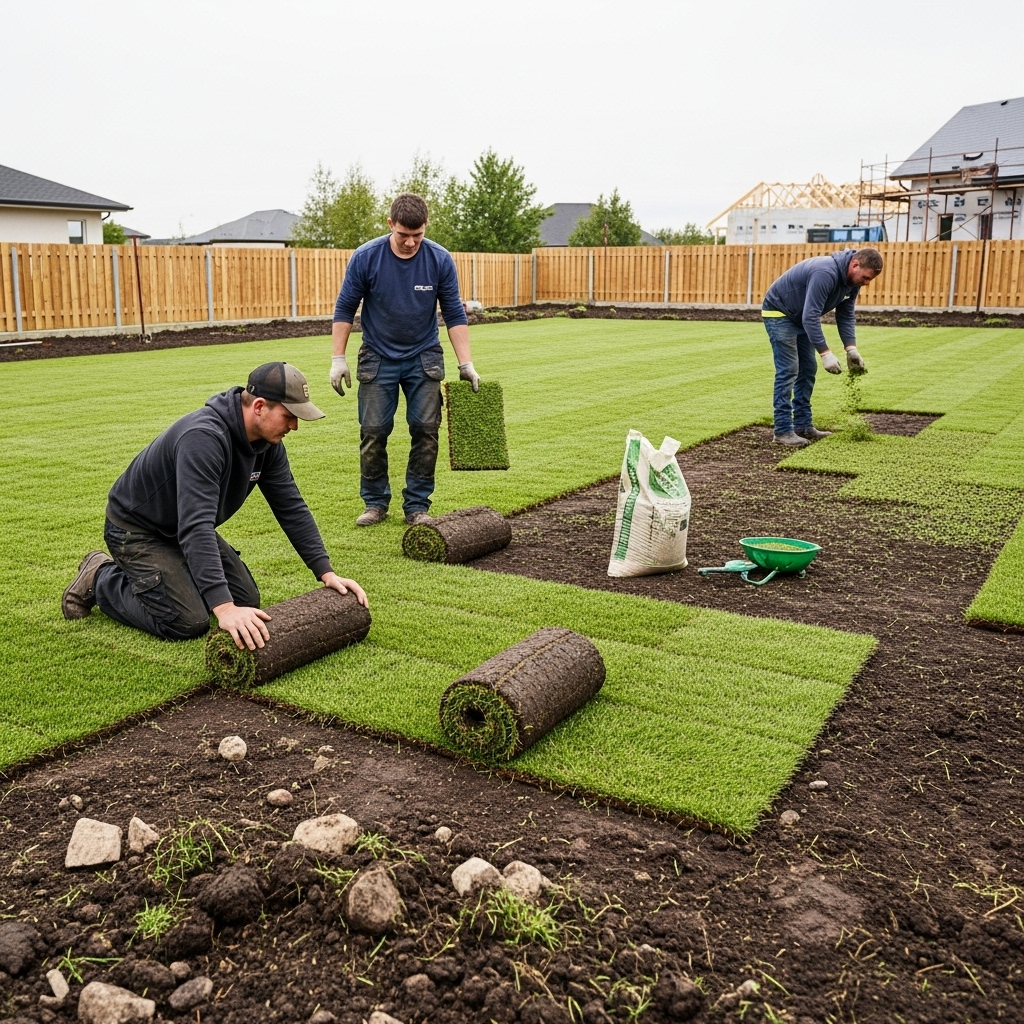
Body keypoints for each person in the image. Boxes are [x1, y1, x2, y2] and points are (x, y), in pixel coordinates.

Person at [61, 362, 368, 651]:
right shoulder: (204, 438)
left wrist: (326, 573)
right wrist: (222, 608)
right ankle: (101, 576)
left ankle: (174, 575)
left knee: (247, 600)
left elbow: (291, 507)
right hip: (137, 529)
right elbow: (196, 527)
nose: (294, 426)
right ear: (260, 406)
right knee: (188, 621)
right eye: (290, 416)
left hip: (179, 526)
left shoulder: (267, 444)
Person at [330, 193, 480, 527]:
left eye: (418, 235)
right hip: (377, 356)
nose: (411, 242)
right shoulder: (367, 257)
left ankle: (417, 506)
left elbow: (454, 312)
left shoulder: (439, 259)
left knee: (426, 430)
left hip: (424, 356)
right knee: (373, 431)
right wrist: (337, 358)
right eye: (403, 235)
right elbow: (345, 308)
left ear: (425, 227)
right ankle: (374, 503)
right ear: (390, 226)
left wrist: (465, 363)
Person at [761, 246, 883, 446]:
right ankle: (782, 431)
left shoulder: (852, 282)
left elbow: (845, 315)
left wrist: (851, 348)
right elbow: (810, 316)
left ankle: (802, 425)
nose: (867, 283)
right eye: (866, 278)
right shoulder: (825, 272)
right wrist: (825, 353)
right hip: (779, 312)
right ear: (855, 265)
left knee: (808, 369)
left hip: (799, 316)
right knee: (789, 370)